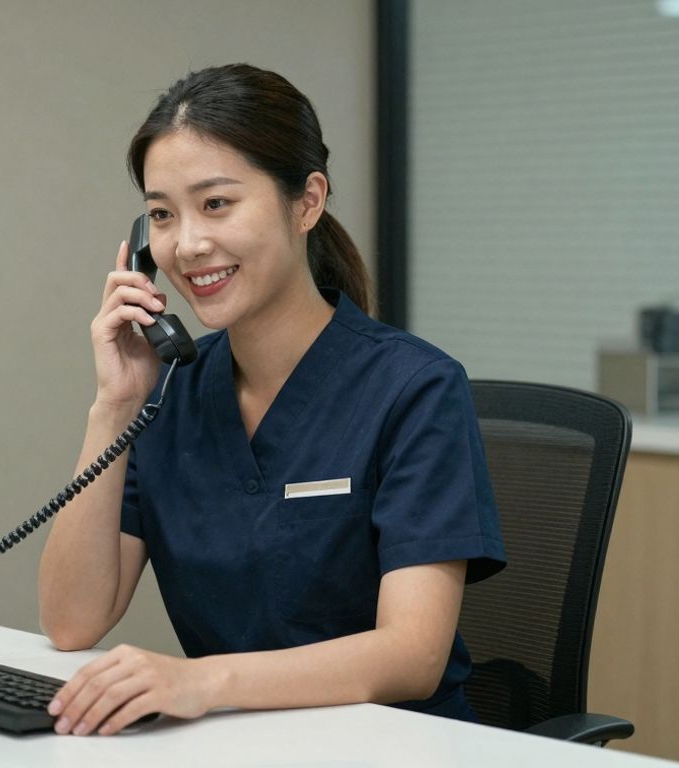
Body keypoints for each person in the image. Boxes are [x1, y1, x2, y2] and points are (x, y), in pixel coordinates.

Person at [36, 63, 506, 737]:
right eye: (162, 215)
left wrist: (203, 681)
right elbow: (72, 621)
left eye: (216, 204)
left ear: (308, 202)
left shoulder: (415, 388)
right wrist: (112, 406)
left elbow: (414, 655)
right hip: (238, 741)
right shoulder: (170, 393)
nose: (188, 245)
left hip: (394, 745)